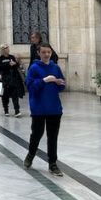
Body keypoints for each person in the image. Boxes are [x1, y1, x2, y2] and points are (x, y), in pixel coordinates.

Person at [24, 43, 66, 176]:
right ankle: (30, 155)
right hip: (39, 108)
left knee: (52, 137)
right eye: (44, 52)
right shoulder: (34, 68)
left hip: (54, 108)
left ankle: (52, 163)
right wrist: (44, 80)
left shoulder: (55, 67)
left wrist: (60, 83)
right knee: (36, 134)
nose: (47, 54)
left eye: (49, 52)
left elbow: (62, 86)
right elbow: (30, 87)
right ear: (39, 53)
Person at [0, 44, 24, 117]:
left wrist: (15, 63)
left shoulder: (12, 57)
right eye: (5, 48)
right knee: (5, 96)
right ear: (2, 50)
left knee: (15, 95)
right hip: (4, 80)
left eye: (8, 48)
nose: (7, 49)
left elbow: (16, 66)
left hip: (13, 79)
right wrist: (8, 65)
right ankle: (6, 110)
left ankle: (17, 110)